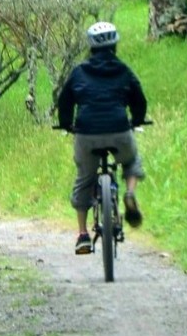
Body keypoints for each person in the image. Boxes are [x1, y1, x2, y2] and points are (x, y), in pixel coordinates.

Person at [55, 21, 148, 255]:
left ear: (91, 47)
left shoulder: (79, 72)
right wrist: (136, 120)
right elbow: (139, 99)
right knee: (131, 161)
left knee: (85, 178)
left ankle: (83, 235)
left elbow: (64, 101)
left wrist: (67, 124)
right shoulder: (124, 70)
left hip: (86, 133)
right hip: (119, 130)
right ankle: (129, 193)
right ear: (114, 45)